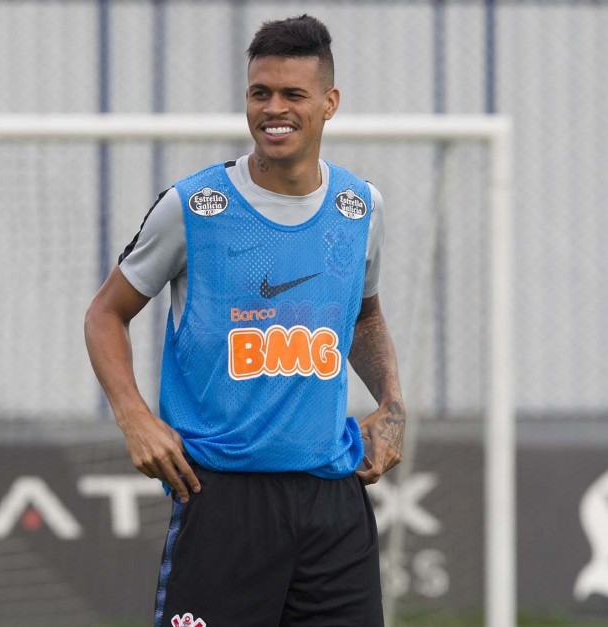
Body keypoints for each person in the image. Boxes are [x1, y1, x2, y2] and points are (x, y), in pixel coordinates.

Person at [84, 15, 405, 627]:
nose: (273, 109)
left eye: (292, 94)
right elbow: (105, 314)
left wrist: (392, 403)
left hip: (332, 499)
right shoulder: (195, 206)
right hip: (222, 497)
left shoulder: (360, 205)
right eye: (260, 93)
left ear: (329, 103)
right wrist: (133, 419)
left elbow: (364, 315)